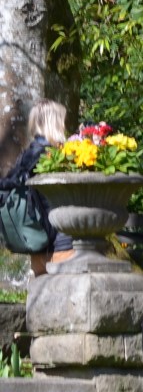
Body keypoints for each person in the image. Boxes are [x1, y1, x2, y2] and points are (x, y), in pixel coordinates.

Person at [5, 99, 75, 276]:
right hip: (61, 236)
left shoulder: (29, 152)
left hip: (37, 236)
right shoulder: (49, 154)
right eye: (62, 120)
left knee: (42, 289)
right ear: (55, 123)